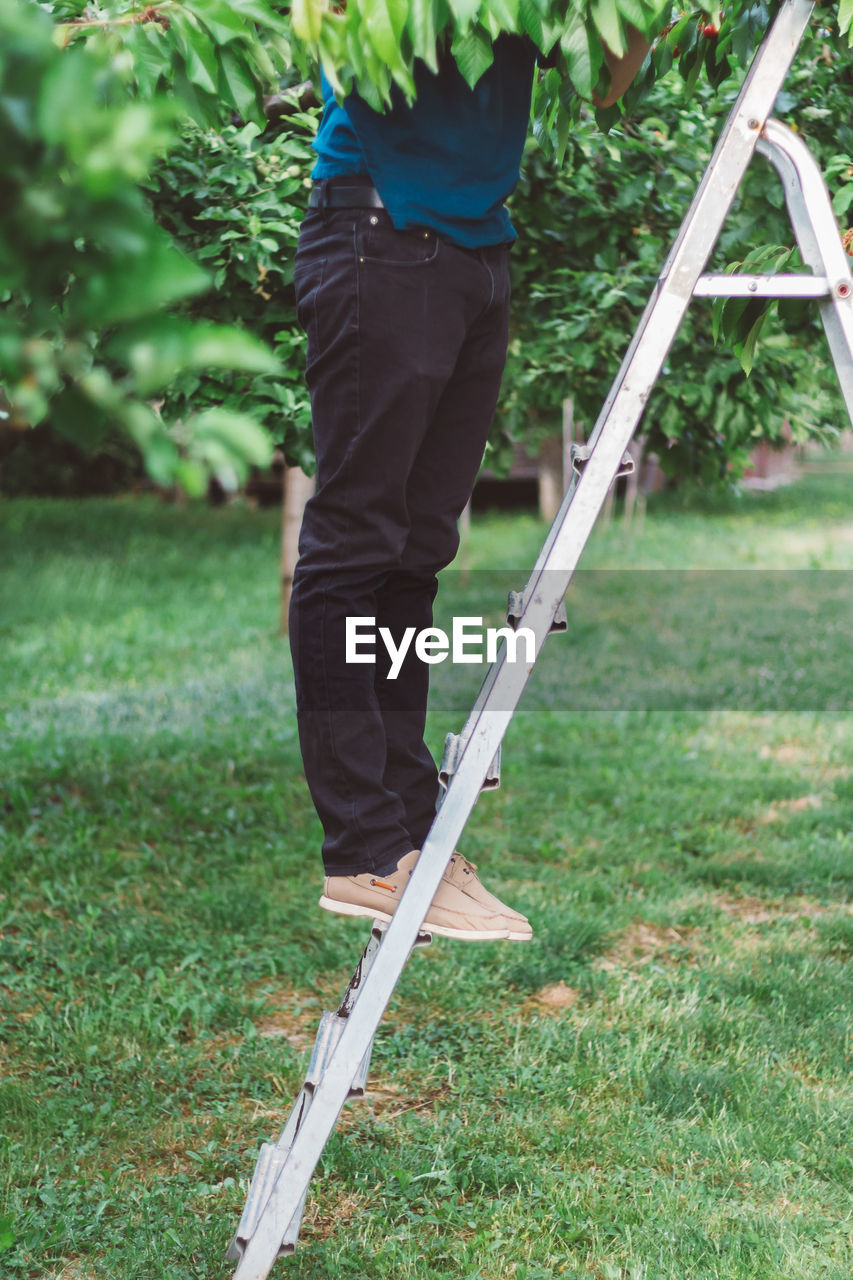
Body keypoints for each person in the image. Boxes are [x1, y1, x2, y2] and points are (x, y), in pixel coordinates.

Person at [289, 28, 648, 941]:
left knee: (415, 556)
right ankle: (363, 850)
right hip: (378, 228)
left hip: (476, 248)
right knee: (356, 546)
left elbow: (607, 82)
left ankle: (409, 834)